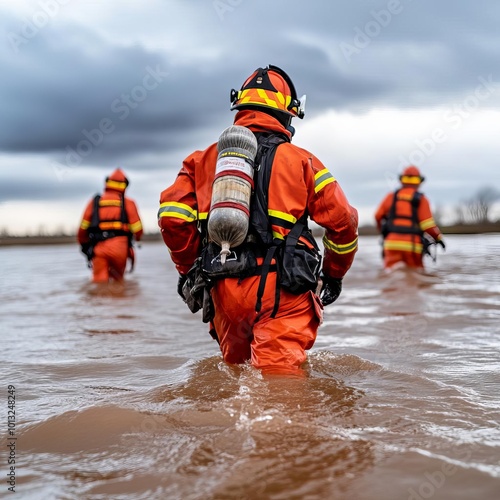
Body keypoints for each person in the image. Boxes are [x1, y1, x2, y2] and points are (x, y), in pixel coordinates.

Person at [158, 65, 358, 375]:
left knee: (236, 379)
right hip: (282, 292)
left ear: (240, 107)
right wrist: (334, 274)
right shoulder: (302, 161)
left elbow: (172, 219)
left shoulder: (200, 161)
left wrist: (188, 269)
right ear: (287, 114)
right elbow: (344, 222)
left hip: (223, 290)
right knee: (279, 389)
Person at [78, 168, 143, 283]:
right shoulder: (128, 203)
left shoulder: (94, 202)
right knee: (118, 283)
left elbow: (82, 229)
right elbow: (138, 229)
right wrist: (136, 239)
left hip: (99, 248)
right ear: (124, 185)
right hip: (120, 248)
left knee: (99, 283)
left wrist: (84, 245)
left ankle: (100, 301)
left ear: (107, 182)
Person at [374, 165, 445, 270]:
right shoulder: (422, 200)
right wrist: (438, 238)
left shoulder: (391, 197)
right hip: (412, 245)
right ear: (419, 181)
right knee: (415, 277)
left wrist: (384, 232)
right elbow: (428, 225)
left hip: (391, 244)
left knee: (390, 274)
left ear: (402, 180)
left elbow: (378, 216)